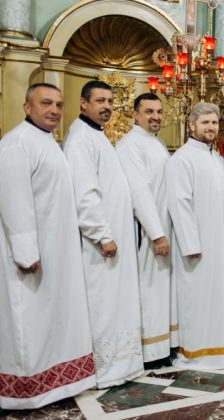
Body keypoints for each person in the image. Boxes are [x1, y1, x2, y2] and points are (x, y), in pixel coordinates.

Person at [0, 84, 96, 409]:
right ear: (27, 107)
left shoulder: (49, 142)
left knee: (56, 317)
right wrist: (26, 251)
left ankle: (57, 382)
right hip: (33, 252)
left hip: (60, 248)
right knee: (31, 317)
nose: (54, 110)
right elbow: (15, 201)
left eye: (58, 104)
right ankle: (28, 389)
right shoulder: (16, 144)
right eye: (46, 103)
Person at [64, 80, 144, 388]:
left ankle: (120, 365)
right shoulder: (80, 138)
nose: (107, 106)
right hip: (100, 243)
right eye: (100, 100)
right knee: (102, 304)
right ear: (84, 103)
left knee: (116, 302)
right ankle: (103, 369)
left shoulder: (97, 135)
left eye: (110, 100)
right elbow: (85, 193)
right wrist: (101, 234)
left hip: (114, 236)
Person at [166, 102, 224, 369]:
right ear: (191, 125)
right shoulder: (182, 158)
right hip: (196, 246)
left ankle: (218, 349)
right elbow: (179, 203)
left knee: (216, 297)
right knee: (195, 298)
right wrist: (190, 243)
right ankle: (194, 351)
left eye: (214, 123)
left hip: (218, 242)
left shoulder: (217, 158)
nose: (211, 128)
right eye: (205, 122)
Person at [116, 93, 173, 364]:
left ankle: (160, 346)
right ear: (135, 114)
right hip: (147, 232)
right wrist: (157, 233)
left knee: (160, 288)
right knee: (148, 288)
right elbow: (140, 193)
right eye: (149, 111)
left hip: (161, 227)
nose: (156, 117)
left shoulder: (156, 143)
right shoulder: (130, 145)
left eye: (159, 111)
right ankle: (149, 351)